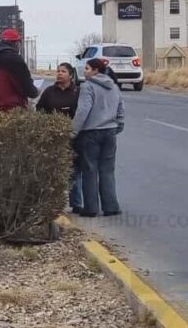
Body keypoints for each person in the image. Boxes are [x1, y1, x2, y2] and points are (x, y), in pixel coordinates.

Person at [72, 58, 126, 218]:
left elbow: (83, 110)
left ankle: (91, 208)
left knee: (90, 170)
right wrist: (119, 125)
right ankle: (111, 207)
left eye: (87, 68)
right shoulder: (114, 86)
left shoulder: (88, 86)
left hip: (91, 132)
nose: (85, 71)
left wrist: (73, 131)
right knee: (107, 170)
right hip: (110, 131)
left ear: (96, 71)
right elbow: (121, 108)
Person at [36, 62, 83, 213]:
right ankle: (54, 204)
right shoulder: (50, 91)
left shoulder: (77, 92)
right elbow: (40, 110)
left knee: (74, 170)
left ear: (70, 74)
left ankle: (76, 203)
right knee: (54, 170)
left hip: (73, 135)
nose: (60, 73)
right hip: (54, 136)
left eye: (63, 71)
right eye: (58, 71)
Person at [0, 28, 39, 112]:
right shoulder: (16, 60)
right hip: (13, 113)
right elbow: (30, 90)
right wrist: (37, 91)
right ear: (15, 43)